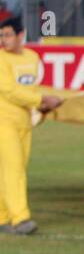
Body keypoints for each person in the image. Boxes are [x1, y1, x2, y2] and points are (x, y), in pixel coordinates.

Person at [0, 16, 62, 234]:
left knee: (13, 169)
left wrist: (40, 108)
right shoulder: (1, 60)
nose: (4, 40)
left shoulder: (32, 58)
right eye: (1, 36)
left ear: (20, 35)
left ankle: (3, 216)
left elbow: (32, 88)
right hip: (4, 122)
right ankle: (20, 218)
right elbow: (9, 90)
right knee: (14, 168)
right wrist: (41, 100)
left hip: (24, 122)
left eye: (8, 35)